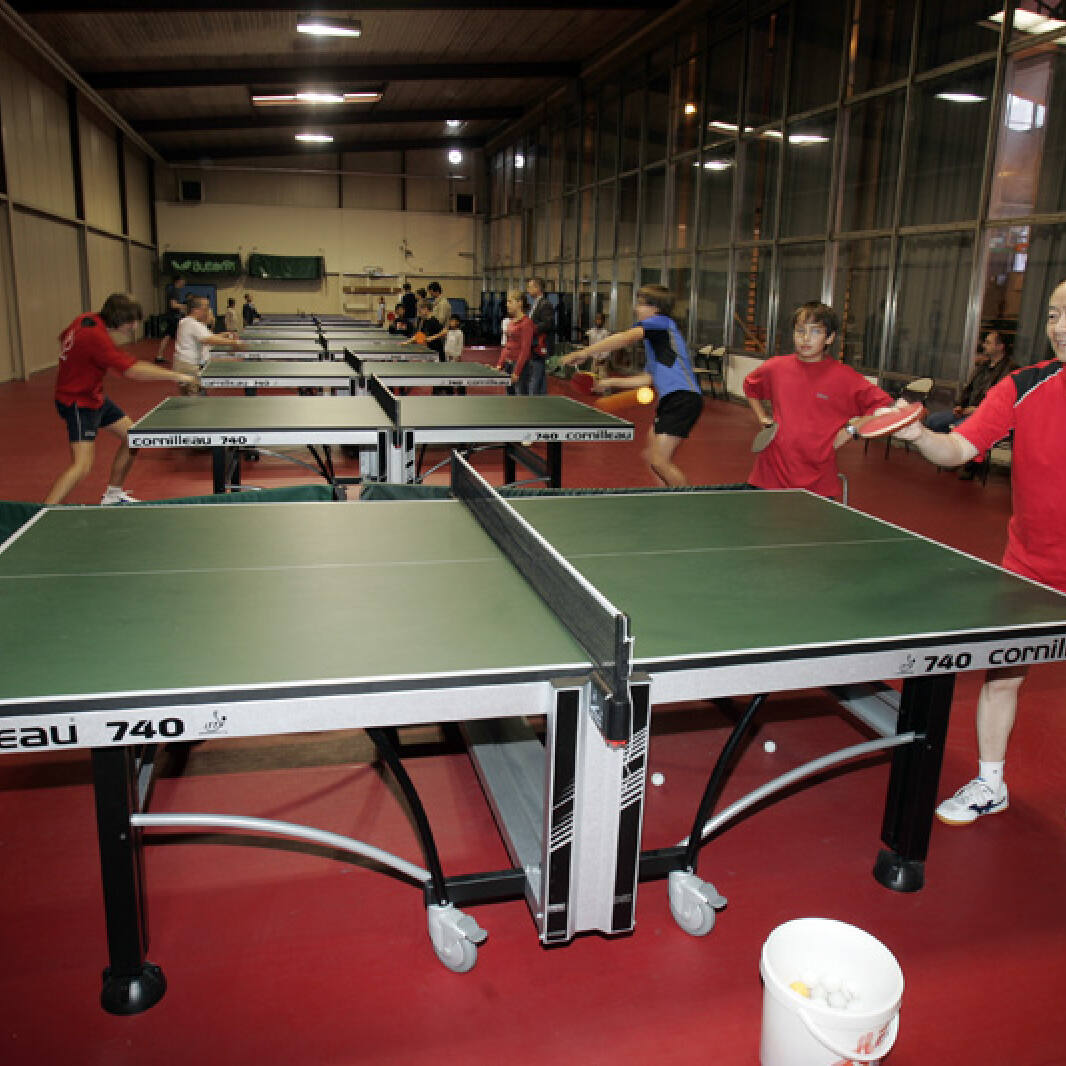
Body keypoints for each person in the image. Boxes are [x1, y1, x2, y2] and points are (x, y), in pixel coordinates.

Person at [889, 279, 1066, 827]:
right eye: (1053, 314)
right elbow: (960, 446)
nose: (1060, 327)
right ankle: (991, 783)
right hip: (1031, 569)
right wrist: (920, 436)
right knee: (1004, 674)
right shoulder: (1024, 385)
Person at [44, 293, 200, 505]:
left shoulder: (85, 319)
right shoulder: (95, 337)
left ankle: (113, 495)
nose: (135, 327)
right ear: (118, 318)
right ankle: (44, 511)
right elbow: (132, 370)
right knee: (82, 466)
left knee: (132, 437)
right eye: (131, 321)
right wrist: (178, 376)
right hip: (78, 402)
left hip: (95, 396)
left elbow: (63, 337)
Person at [742, 301, 893, 500]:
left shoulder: (844, 377)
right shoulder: (775, 368)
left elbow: (885, 406)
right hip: (769, 476)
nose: (806, 338)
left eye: (815, 331)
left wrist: (850, 431)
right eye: (800, 331)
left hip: (818, 483)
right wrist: (762, 417)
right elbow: (750, 387)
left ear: (829, 338)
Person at [560, 283, 703, 487]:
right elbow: (647, 379)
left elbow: (625, 338)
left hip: (683, 398)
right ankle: (665, 497)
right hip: (672, 399)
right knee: (651, 456)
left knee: (660, 461)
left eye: (641, 304)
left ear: (656, 308)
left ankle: (689, 501)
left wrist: (584, 352)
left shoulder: (661, 323)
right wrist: (609, 382)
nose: (636, 308)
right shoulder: (658, 342)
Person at [925, 330, 1016, 479]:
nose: (984, 345)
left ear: (1000, 346)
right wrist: (960, 405)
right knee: (933, 421)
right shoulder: (982, 366)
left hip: (987, 415)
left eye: (988, 343)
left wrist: (978, 409)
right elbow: (968, 388)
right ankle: (952, 456)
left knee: (961, 428)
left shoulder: (1010, 369)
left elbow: (1002, 399)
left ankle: (970, 463)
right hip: (967, 410)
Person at [174, 296, 243, 393]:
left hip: (183, 364)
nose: (207, 311)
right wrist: (234, 342)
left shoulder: (185, 321)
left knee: (191, 394)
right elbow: (208, 339)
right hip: (189, 366)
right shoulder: (194, 324)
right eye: (205, 308)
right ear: (196, 310)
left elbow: (208, 336)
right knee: (194, 396)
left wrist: (225, 334)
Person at [495, 290, 534, 395]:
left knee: (520, 398)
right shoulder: (510, 323)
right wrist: (500, 364)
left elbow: (525, 350)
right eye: (507, 302)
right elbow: (507, 346)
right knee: (510, 396)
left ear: (519, 303)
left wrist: (517, 372)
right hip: (508, 364)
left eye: (510, 301)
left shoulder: (526, 323)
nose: (507, 305)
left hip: (521, 366)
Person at [526, 277, 554, 395]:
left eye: (530, 287)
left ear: (537, 288)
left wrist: (530, 329)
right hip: (536, 345)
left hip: (540, 346)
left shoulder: (545, 304)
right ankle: (542, 400)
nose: (528, 289)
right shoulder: (536, 303)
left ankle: (532, 401)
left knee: (535, 378)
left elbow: (547, 324)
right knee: (540, 378)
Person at [155, 275, 186, 364]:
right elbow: (173, 305)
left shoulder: (175, 291)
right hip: (173, 318)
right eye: (183, 280)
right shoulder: (174, 291)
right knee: (181, 336)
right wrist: (185, 306)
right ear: (178, 281)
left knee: (167, 336)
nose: (184, 282)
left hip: (173, 317)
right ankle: (183, 357)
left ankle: (159, 356)